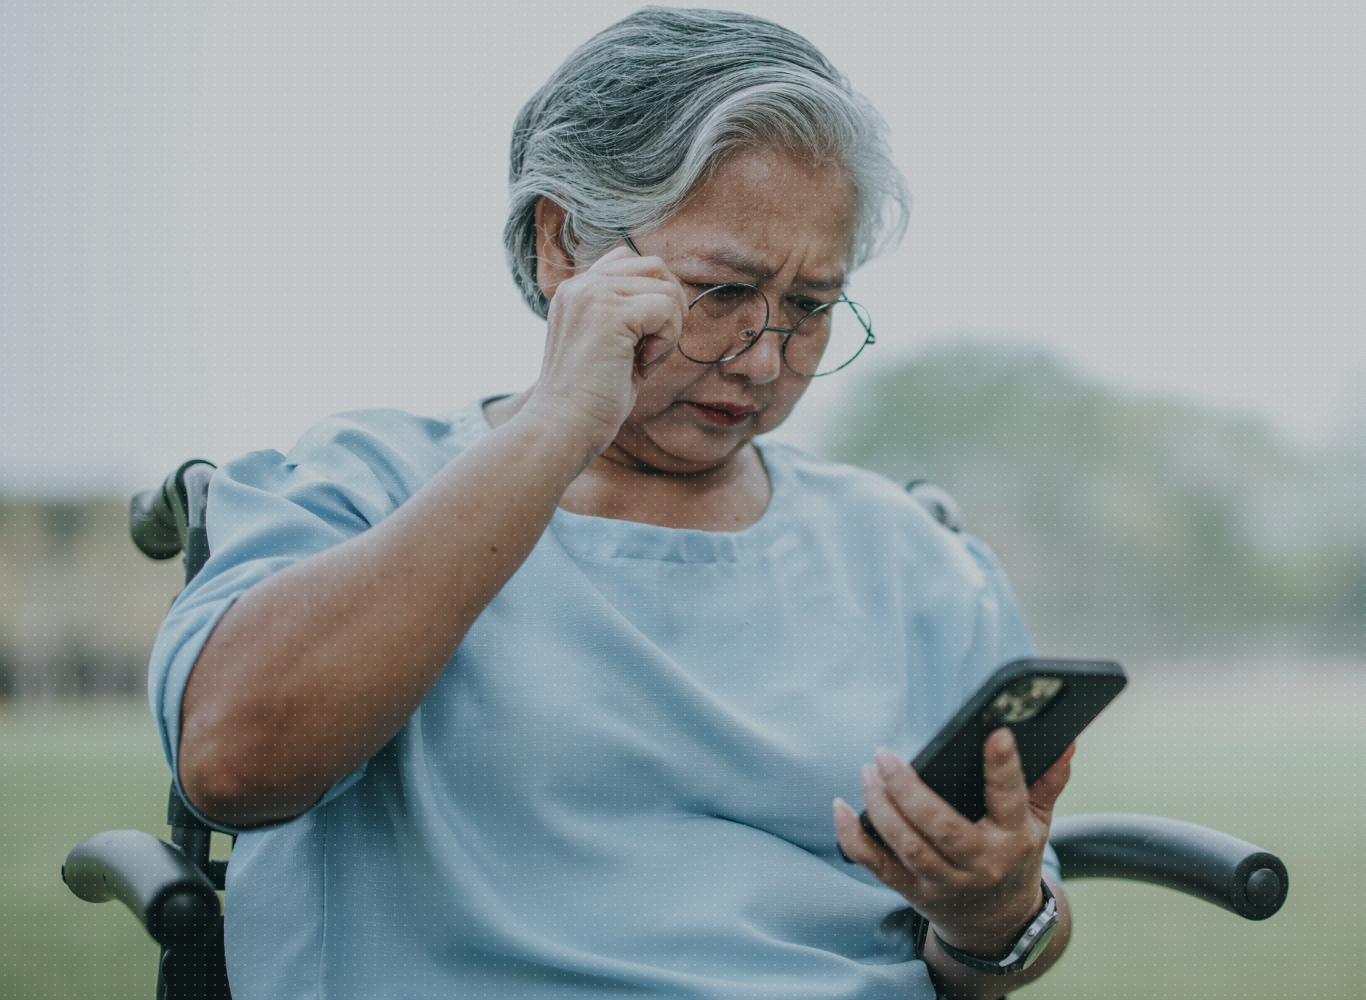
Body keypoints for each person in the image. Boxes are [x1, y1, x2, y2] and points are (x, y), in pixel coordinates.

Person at [148, 9, 1072, 998]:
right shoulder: (366, 482)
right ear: (564, 244)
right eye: (720, 291)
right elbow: (235, 766)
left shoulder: (917, 563)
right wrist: (555, 427)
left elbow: (1003, 940)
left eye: (809, 309)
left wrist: (989, 916)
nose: (763, 359)